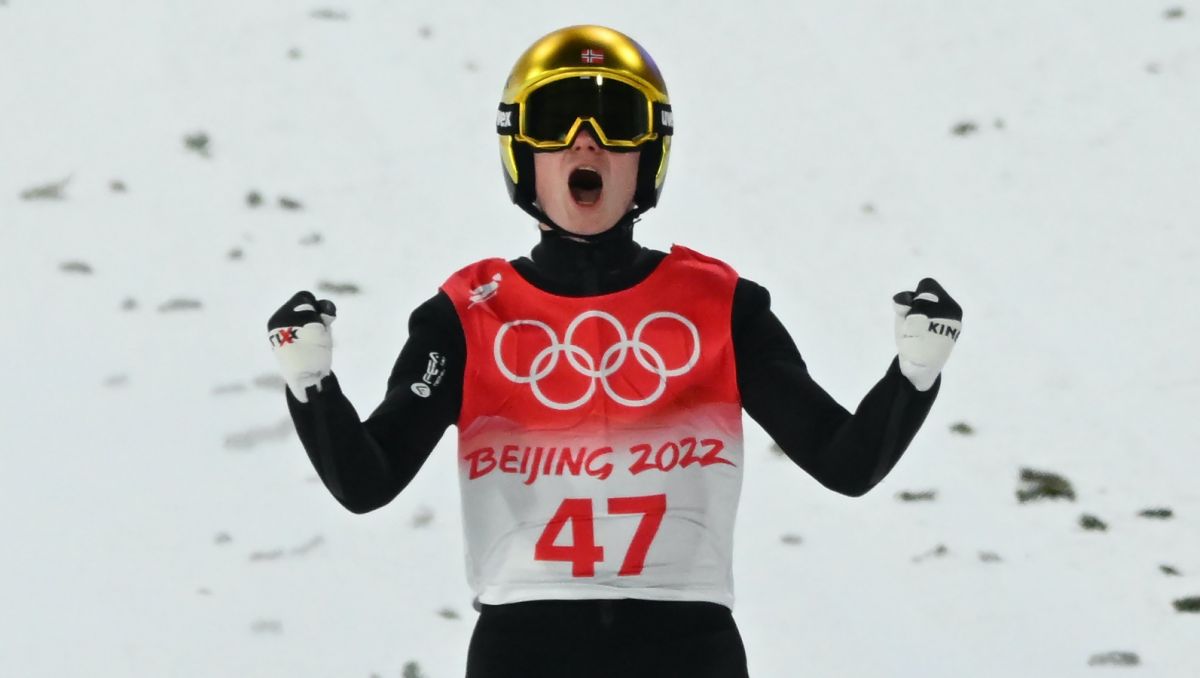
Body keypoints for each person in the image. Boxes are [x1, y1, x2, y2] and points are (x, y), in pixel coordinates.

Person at [267, 25, 962, 678]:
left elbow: (845, 462)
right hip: (524, 649)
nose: (585, 144)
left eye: (616, 123)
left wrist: (914, 376)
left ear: (649, 154)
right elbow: (368, 482)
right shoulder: (467, 314)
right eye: (555, 122)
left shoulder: (722, 306)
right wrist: (312, 388)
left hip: (687, 649)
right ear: (522, 153)